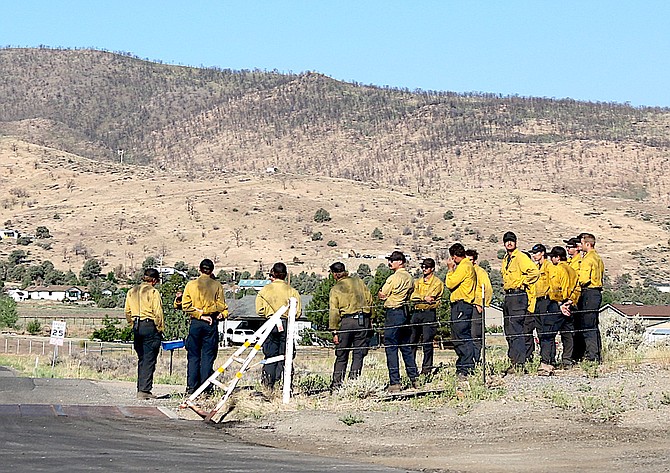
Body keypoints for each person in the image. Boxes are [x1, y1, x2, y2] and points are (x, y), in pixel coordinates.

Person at [181, 259, 228, 395]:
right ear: (212, 270)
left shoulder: (191, 285)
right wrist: (210, 310)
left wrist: (199, 313)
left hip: (196, 322)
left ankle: (191, 387)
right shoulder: (217, 285)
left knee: (193, 355)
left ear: (199, 269)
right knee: (208, 356)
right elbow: (221, 305)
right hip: (210, 322)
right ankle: (205, 388)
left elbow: (185, 306)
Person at [255, 262, 301, 389]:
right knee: (286, 355)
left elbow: (259, 311)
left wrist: (269, 314)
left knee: (270, 355)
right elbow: (297, 312)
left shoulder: (264, 290)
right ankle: (283, 384)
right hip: (287, 324)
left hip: (270, 324)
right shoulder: (292, 291)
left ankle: (268, 384)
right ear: (285, 275)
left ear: (273, 274)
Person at [328, 262, 373, 389]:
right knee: (359, 354)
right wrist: (371, 319)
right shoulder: (358, 282)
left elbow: (334, 311)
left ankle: (337, 384)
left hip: (347, 322)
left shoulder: (336, 289)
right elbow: (370, 300)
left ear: (335, 274)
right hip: (362, 320)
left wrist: (334, 330)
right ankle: (354, 382)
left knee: (342, 354)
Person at [378, 250, 418, 392]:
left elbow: (383, 294)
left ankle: (395, 382)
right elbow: (412, 292)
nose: (389, 263)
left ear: (400, 262)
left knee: (391, 348)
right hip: (405, 313)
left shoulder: (393, 278)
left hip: (393, 312)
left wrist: (382, 295)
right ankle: (415, 379)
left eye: (392, 260)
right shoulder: (410, 278)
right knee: (406, 347)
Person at [500, 231, 540, 372]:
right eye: (507, 241)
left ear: (516, 242)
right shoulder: (506, 259)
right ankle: (514, 361)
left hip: (518, 294)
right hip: (509, 295)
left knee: (517, 329)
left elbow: (534, 272)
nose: (509, 243)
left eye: (511, 240)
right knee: (509, 330)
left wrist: (522, 282)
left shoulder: (521, 257)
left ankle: (520, 363)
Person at [124, 268, 164, 400]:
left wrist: (132, 324)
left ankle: (140, 387)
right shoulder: (153, 292)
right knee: (149, 358)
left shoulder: (131, 291)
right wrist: (160, 328)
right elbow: (158, 312)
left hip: (137, 326)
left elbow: (127, 312)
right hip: (149, 326)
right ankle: (144, 390)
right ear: (154, 280)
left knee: (141, 358)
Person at [540, 246, 580, 376]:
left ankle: (547, 362)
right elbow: (577, 288)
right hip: (570, 305)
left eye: (552, 257)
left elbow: (557, 288)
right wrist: (570, 302)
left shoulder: (557, 270)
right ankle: (567, 360)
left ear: (557, 257)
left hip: (558, 305)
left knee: (548, 334)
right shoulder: (572, 270)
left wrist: (560, 304)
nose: (551, 259)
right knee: (568, 334)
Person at [445, 243, 477, 378]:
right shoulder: (466, 266)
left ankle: (466, 366)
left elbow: (450, 283)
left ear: (455, 256)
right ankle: (464, 365)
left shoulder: (463, 266)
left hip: (462, 304)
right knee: (458, 335)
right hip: (460, 305)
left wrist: (450, 269)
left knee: (462, 336)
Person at [409, 257, 444, 375]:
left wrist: (420, 297)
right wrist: (423, 298)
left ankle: (426, 369)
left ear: (432, 269)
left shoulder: (437, 283)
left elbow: (431, 298)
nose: (424, 269)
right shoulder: (417, 282)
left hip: (429, 313)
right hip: (416, 312)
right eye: (422, 267)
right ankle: (411, 368)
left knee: (427, 342)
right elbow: (412, 297)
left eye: (427, 267)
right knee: (412, 341)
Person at [577, 233, 605, 362]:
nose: (581, 246)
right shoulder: (598, 258)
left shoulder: (587, 259)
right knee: (593, 324)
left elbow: (583, 279)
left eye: (582, 243)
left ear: (588, 244)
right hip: (597, 293)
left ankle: (591, 356)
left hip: (588, 292)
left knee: (587, 325)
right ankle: (597, 354)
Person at [465, 249, 492, 363]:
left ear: (475, 260)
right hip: (465, 306)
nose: (468, 262)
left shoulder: (480, 272)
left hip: (476, 306)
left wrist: (481, 303)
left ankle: (476, 360)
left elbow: (488, 289)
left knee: (475, 334)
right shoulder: (463, 272)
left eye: (470, 260)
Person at [529, 244, 551, 361]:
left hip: (546, 300)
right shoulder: (536, 268)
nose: (534, 255)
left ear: (542, 253)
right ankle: (544, 357)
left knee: (546, 331)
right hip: (537, 300)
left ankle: (548, 358)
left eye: (536, 253)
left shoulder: (548, 266)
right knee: (539, 331)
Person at [564, 236, 583, 363]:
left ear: (577, 248)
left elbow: (577, 282)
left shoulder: (579, 263)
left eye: (570, 247)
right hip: (569, 298)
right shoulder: (570, 262)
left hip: (576, 299)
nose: (567, 249)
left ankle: (579, 354)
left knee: (578, 328)